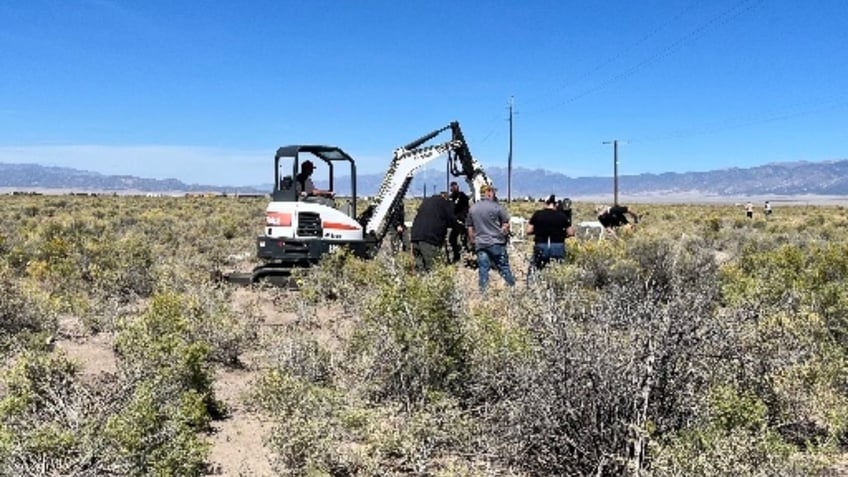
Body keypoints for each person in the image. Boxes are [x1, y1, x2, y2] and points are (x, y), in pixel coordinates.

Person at [466, 184, 515, 292]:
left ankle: (484, 293)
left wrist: (472, 241)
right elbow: (506, 224)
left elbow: (470, 227)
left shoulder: (473, 209)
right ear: (489, 192)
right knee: (503, 267)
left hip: (481, 244)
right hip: (496, 242)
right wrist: (503, 234)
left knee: (483, 269)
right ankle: (512, 289)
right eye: (493, 192)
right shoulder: (497, 207)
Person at [526, 194, 574, 278]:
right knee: (559, 271)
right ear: (556, 204)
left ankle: (532, 285)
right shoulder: (562, 216)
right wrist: (562, 235)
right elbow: (571, 232)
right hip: (557, 246)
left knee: (535, 269)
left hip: (541, 245)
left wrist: (538, 231)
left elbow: (529, 230)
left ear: (545, 203)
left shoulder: (537, 214)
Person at [410, 193, 456, 272]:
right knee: (433, 268)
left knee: (420, 269)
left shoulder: (426, 202)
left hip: (415, 237)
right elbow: (452, 220)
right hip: (429, 239)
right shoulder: (444, 203)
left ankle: (420, 283)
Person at [448, 181, 470, 263]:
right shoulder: (451, 197)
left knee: (464, 238)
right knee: (452, 239)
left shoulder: (462, 196)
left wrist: (461, 218)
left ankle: (466, 254)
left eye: (455, 186)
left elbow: (465, 208)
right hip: (455, 222)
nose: (453, 188)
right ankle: (457, 256)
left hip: (462, 221)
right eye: (452, 187)